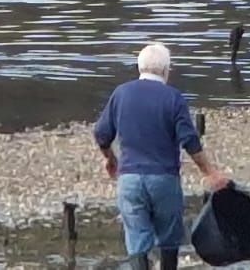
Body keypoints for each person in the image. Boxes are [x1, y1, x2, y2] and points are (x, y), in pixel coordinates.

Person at [93, 42, 230, 270]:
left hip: (130, 180)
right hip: (164, 179)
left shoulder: (121, 94)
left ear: (139, 68)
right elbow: (190, 140)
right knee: (169, 237)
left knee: (136, 239)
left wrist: (110, 158)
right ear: (167, 70)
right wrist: (210, 172)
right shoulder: (173, 97)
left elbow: (101, 133)